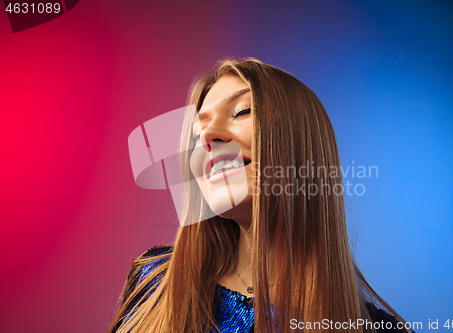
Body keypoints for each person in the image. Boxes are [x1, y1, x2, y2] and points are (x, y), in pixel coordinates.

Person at [107, 58, 413, 333]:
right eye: (196, 134)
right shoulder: (153, 282)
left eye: (241, 111)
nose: (208, 138)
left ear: (299, 144)